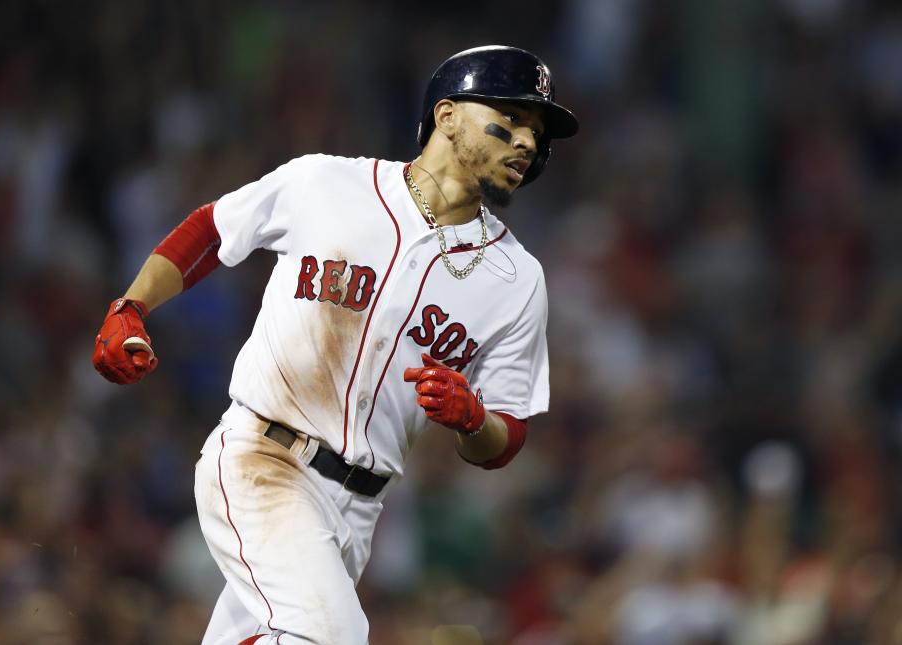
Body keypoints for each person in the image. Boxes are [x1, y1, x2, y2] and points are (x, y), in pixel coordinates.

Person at [92, 45, 578, 645]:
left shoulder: (517, 278)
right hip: (265, 460)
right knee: (332, 637)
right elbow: (213, 231)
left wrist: (474, 420)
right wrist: (132, 306)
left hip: (362, 511)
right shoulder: (327, 181)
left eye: (538, 133)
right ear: (447, 115)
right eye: (512, 120)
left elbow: (505, 439)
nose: (527, 143)